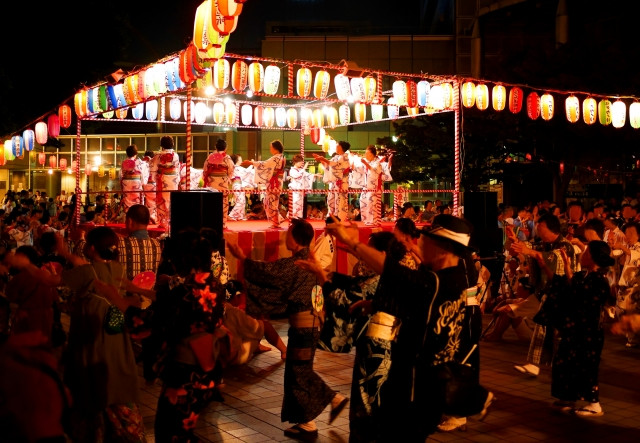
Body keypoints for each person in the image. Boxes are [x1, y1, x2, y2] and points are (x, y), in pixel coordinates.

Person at [324, 214, 493, 441]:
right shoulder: (448, 277)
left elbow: (394, 272)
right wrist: (375, 304)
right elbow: (416, 300)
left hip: (419, 387)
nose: (419, 245)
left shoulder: (439, 282)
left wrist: (354, 242)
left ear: (443, 248)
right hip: (422, 384)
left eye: (426, 241)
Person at [94, 229, 227, 442]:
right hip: (207, 372)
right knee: (184, 430)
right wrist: (138, 289)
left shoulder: (183, 294)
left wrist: (112, 295)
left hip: (185, 377)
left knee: (170, 433)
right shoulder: (213, 285)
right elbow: (173, 304)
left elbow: (145, 320)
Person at [227, 218, 349, 438]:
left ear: (296, 238)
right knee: (298, 371)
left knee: (298, 372)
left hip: (304, 326)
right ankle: (309, 419)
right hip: (311, 324)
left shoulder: (297, 264)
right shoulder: (309, 260)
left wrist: (243, 258)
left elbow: (267, 273)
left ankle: (326, 406)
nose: (285, 236)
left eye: (289, 232)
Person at [539, 242, 614, 417]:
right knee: (565, 362)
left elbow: (575, 292)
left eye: (586, 251)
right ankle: (568, 398)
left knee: (586, 366)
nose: (583, 253)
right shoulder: (585, 276)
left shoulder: (599, 281)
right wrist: (561, 266)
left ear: (593, 257)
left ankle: (594, 403)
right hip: (575, 330)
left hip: (588, 332)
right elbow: (570, 284)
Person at [510, 213, 577, 378]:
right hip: (549, 294)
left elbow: (548, 258)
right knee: (544, 329)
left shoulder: (565, 246)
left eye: (541, 229)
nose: (538, 232)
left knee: (556, 333)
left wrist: (528, 251)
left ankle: (562, 365)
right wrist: (516, 243)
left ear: (551, 229)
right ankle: (535, 365)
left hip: (564, 296)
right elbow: (532, 250)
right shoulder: (545, 244)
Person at [252, 139, 286, 228]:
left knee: (271, 203)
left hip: (274, 182)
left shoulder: (276, 158)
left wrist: (252, 163)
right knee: (271, 202)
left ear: (275, 148)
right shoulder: (282, 157)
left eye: (271, 148)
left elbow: (265, 164)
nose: (270, 149)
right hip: (277, 181)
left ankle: (276, 222)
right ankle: (278, 219)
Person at [313, 140, 351, 222]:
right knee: (330, 200)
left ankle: (340, 219)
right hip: (334, 183)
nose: (336, 147)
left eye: (337, 145)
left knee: (340, 202)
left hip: (341, 182)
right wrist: (321, 160)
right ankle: (331, 218)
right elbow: (329, 166)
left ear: (341, 147)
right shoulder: (336, 157)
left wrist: (324, 159)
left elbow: (336, 165)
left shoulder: (345, 157)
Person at [149, 135, 180, 232]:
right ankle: (171, 221)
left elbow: (153, 169)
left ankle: (163, 222)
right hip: (173, 180)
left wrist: (154, 178)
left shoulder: (158, 156)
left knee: (162, 200)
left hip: (162, 180)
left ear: (162, 145)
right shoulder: (175, 155)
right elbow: (177, 168)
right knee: (171, 200)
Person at [202, 139, 235, 228]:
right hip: (223, 182)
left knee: (212, 203)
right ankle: (223, 223)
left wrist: (209, 178)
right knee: (224, 203)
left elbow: (205, 169)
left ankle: (212, 222)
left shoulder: (210, 157)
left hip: (212, 182)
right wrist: (227, 177)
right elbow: (231, 169)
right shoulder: (227, 158)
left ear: (215, 147)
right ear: (225, 148)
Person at [119, 144, 149, 214]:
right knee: (137, 203)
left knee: (128, 203)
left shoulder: (123, 163)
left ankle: (129, 216)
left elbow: (120, 176)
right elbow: (143, 176)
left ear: (127, 153)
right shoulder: (140, 163)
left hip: (126, 185)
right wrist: (143, 183)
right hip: (136, 184)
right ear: (136, 153)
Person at [359, 145, 383, 227]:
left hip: (373, 187)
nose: (366, 155)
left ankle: (372, 221)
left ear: (373, 154)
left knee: (371, 203)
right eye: (365, 153)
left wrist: (366, 164)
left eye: (367, 153)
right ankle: (366, 220)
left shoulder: (377, 163)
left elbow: (375, 172)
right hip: (366, 186)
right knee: (362, 201)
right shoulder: (367, 162)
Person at [287, 154, 315, 220]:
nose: (301, 164)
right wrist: (304, 168)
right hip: (295, 190)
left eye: (301, 162)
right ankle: (293, 218)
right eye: (300, 162)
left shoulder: (300, 170)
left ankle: (299, 218)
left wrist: (315, 175)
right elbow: (298, 176)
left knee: (300, 205)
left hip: (300, 190)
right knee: (295, 203)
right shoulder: (292, 170)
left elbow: (307, 175)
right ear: (295, 162)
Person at [228, 154, 254, 221]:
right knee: (240, 201)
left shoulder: (236, 168)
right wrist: (252, 164)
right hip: (237, 185)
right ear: (236, 160)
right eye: (240, 159)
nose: (241, 160)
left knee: (242, 201)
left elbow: (245, 172)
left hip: (239, 185)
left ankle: (240, 216)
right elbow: (246, 172)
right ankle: (231, 215)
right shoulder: (236, 167)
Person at [142, 150, 157, 224]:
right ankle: (153, 218)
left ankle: (148, 218)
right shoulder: (155, 163)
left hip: (145, 185)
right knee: (154, 204)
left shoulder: (143, 163)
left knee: (147, 203)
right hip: (154, 185)